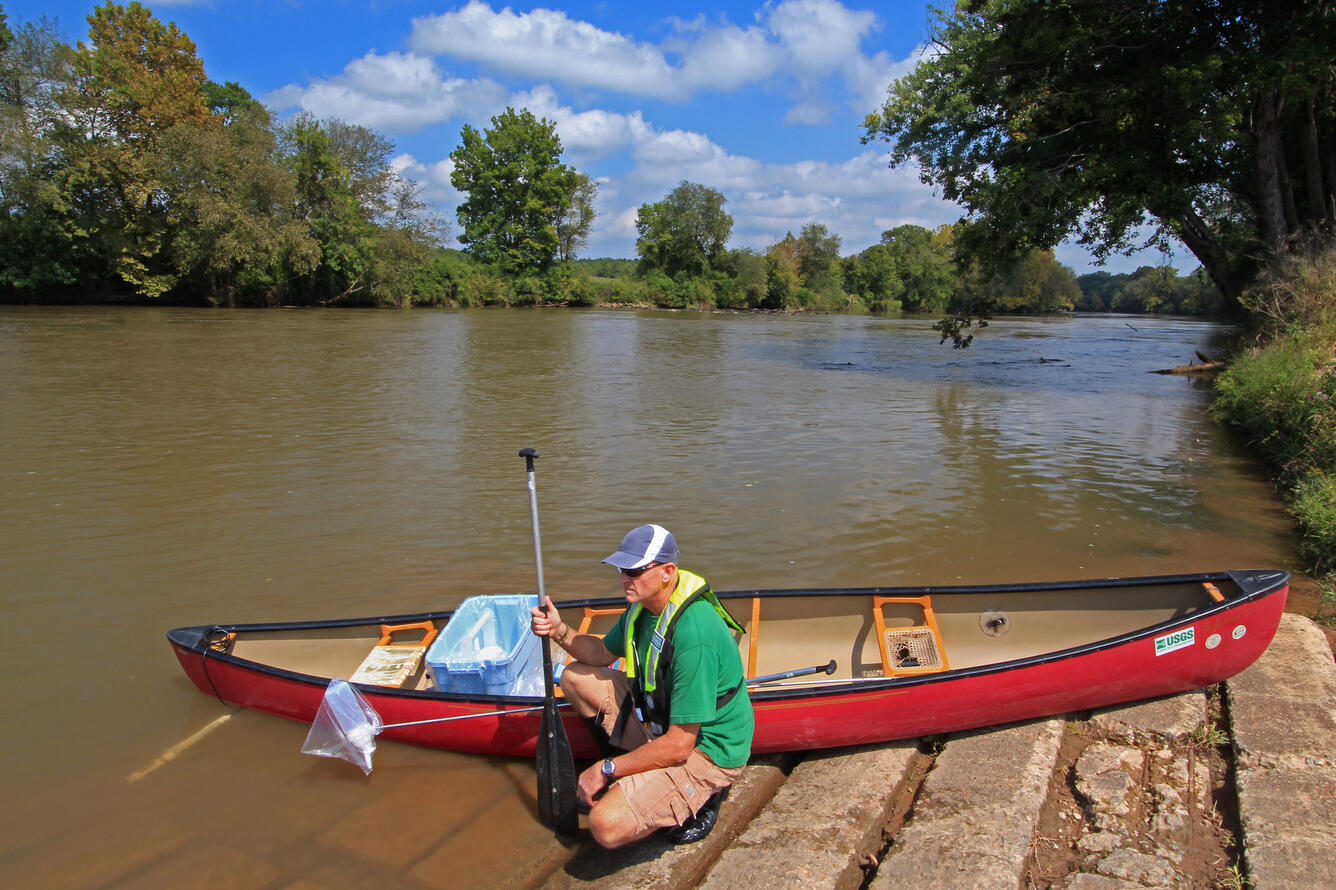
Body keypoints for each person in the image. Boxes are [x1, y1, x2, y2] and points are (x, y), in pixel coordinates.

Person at [530, 523, 754, 849]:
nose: (624, 579)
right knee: (574, 677)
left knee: (605, 825)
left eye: (634, 571)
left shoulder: (695, 634)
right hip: (663, 725)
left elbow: (680, 745)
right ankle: (639, 775)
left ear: (668, 572)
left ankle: (707, 794)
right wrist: (560, 630)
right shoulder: (642, 609)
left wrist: (606, 769)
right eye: (622, 569)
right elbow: (601, 652)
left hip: (707, 750)